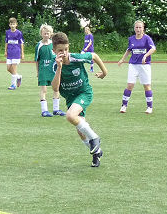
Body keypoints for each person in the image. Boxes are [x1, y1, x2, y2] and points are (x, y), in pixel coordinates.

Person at [51, 32, 108, 167]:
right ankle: (96, 152)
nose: (64, 53)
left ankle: (95, 138)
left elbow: (94, 56)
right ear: (54, 51)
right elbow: (55, 88)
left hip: (84, 92)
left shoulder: (75, 58)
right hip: (71, 98)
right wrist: (59, 67)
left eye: (66, 49)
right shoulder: (55, 66)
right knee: (81, 131)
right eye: (60, 50)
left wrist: (104, 72)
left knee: (70, 116)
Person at [118, 20, 156, 114]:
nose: (138, 29)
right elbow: (128, 50)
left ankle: (149, 107)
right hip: (133, 65)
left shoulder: (147, 38)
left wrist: (145, 56)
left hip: (144, 65)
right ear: (134, 28)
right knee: (130, 85)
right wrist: (122, 59)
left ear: (143, 28)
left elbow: (153, 48)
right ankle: (124, 106)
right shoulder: (131, 39)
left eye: (140, 27)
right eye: (136, 27)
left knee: (147, 86)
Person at [34, 24, 65, 117]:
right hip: (43, 70)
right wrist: (38, 72)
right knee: (44, 90)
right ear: (41, 34)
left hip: (53, 70)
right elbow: (37, 60)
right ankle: (44, 110)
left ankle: (56, 109)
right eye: (44, 33)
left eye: (48, 33)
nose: (46, 35)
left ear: (51, 34)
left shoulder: (53, 45)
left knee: (56, 88)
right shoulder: (39, 46)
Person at [5, 17, 25, 90]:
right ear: (9, 25)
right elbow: (6, 42)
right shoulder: (7, 32)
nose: (12, 25)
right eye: (11, 24)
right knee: (8, 68)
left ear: (16, 24)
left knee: (13, 68)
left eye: (14, 24)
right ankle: (18, 76)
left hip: (16, 52)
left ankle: (13, 85)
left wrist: (22, 53)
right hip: (9, 53)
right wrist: (5, 51)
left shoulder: (19, 33)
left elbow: (21, 43)